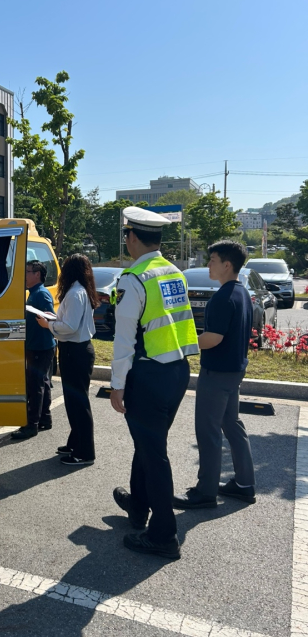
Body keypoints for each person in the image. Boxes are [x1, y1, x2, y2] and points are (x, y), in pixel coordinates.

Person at [110, 207, 199, 560]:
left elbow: (123, 340)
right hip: (177, 371)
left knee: (153, 452)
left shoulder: (133, 278)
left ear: (132, 238)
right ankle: (138, 507)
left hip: (147, 375)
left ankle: (163, 534)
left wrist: (117, 386)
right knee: (148, 443)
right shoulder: (174, 272)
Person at [173, 240, 256, 509]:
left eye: (212, 260)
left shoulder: (223, 297)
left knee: (208, 431)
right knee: (232, 425)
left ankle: (205, 492)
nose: (208, 264)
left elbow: (213, 338)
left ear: (227, 265)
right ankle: (244, 484)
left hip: (217, 373)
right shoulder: (241, 292)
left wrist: (182, 343)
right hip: (234, 372)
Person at [36, 254, 99, 466]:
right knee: (75, 402)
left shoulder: (75, 293)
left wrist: (49, 325)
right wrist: (54, 318)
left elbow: (70, 327)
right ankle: (75, 443)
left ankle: (84, 452)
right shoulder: (82, 290)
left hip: (75, 351)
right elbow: (72, 322)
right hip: (78, 350)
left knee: (78, 404)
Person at [12, 260, 56, 440]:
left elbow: (50, 318)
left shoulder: (41, 295)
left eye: (27, 271)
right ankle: (45, 418)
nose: (25, 275)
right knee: (42, 382)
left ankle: (32, 425)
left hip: (40, 346)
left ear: (37, 274)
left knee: (35, 385)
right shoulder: (33, 293)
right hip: (36, 345)